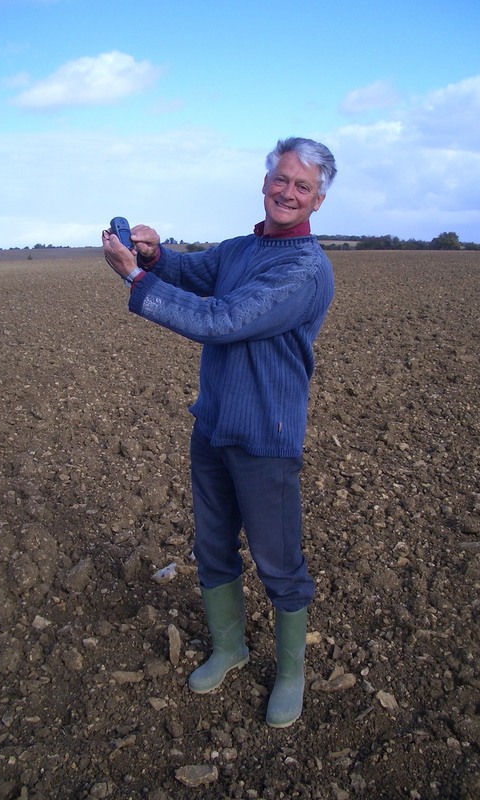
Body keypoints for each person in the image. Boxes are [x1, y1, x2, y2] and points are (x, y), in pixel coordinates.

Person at [102, 137, 337, 728]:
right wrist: (154, 255)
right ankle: (230, 648)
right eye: (280, 179)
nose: (287, 191)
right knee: (211, 546)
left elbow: (223, 319)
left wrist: (136, 281)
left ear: (319, 199)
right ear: (265, 183)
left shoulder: (303, 270)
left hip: (266, 436)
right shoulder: (241, 249)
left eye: (302, 186)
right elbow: (194, 271)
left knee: (279, 563)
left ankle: (290, 674)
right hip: (213, 425)